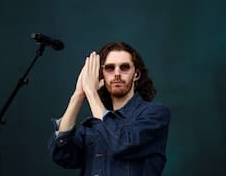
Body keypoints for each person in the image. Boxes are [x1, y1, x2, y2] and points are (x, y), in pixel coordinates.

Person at [48, 41, 171, 176]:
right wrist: (79, 94)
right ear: (102, 74)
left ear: (136, 74)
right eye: (110, 68)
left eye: (124, 67)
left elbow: (123, 143)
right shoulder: (92, 126)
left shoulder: (155, 113)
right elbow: (61, 155)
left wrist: (91, 93)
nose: (117, 73)